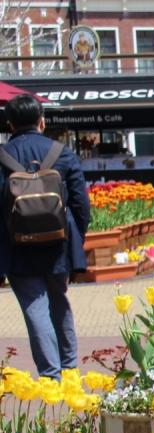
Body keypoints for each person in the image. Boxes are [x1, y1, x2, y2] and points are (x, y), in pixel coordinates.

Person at [0, 94, 90, 378]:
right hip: (58, 244)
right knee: (59, 301)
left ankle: (51, 376)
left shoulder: (2, 156)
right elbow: (81, 203)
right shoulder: (62, 153)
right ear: (42, 121)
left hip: (17, 246)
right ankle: (70, 369)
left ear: (10, 124)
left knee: (35, 308)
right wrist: (76, 239)